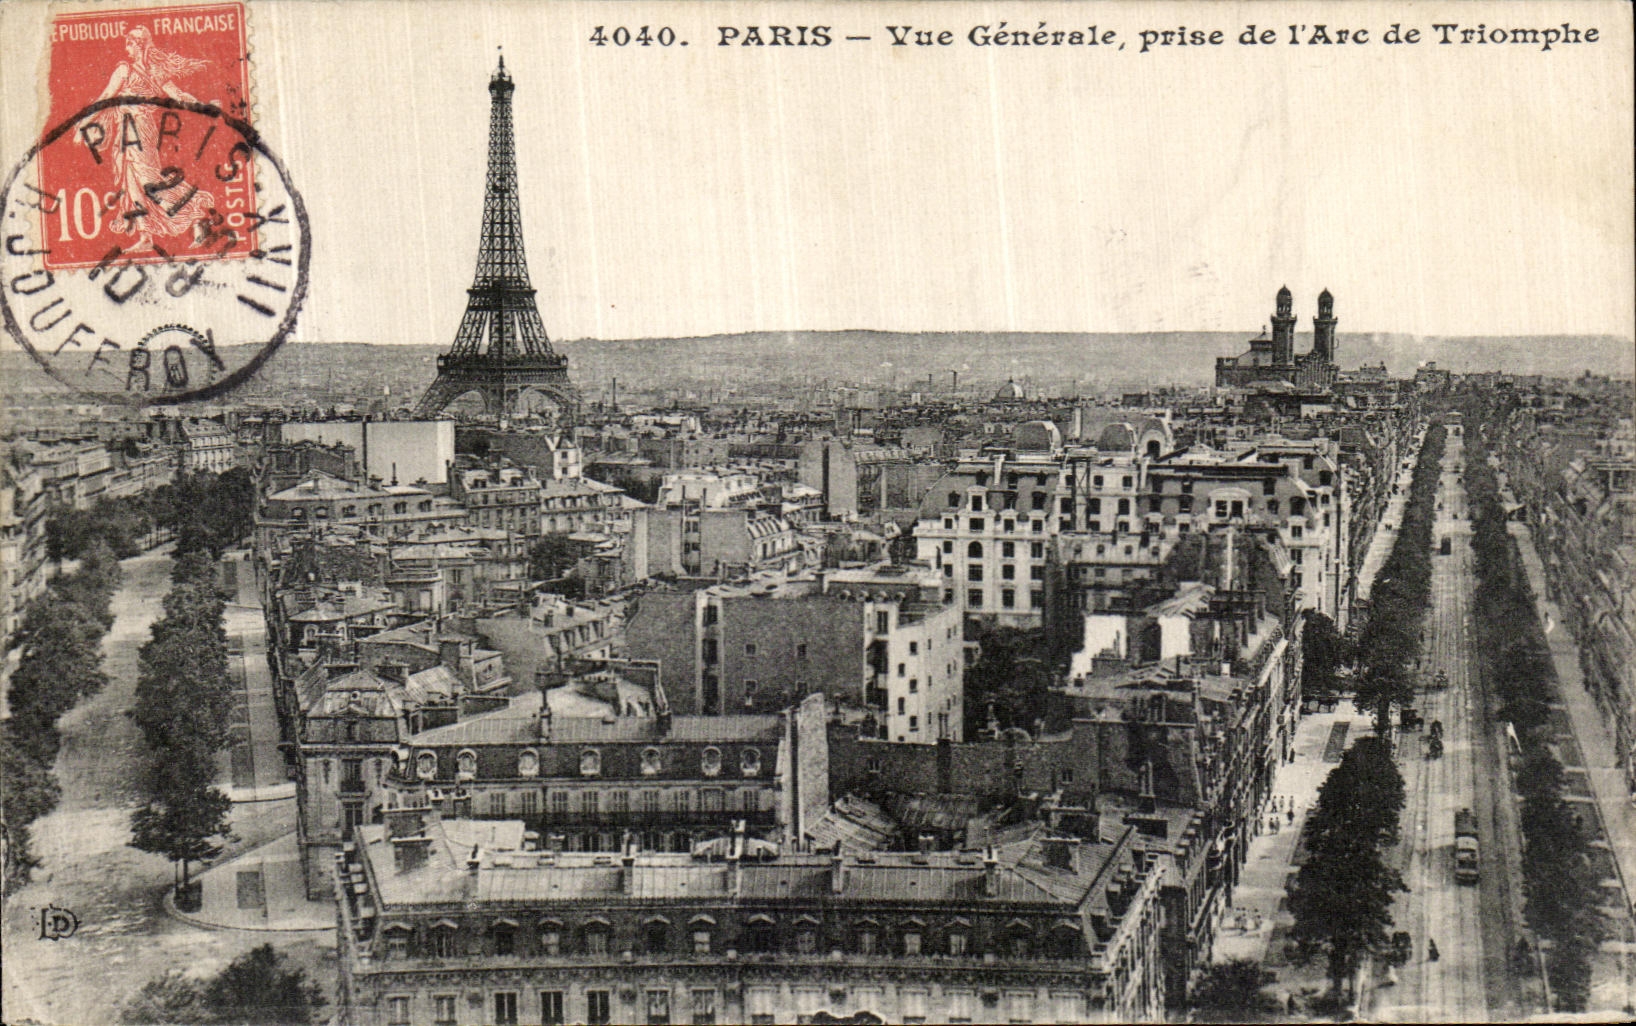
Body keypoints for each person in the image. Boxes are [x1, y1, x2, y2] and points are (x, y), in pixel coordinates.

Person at [91, 27, 221, 253]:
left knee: (146, 180)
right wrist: (204, 106)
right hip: (131, 129)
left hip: (137, 130)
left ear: (139, 45)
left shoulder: (126, 69)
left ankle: (195, 217)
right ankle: (146, 236)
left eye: (129, 44)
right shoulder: (153, 71)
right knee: (132, 182)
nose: (126, 49)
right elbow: (179, 96)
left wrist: (84, 120)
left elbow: (105, 98)